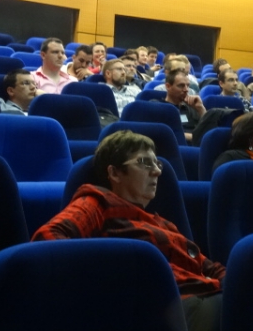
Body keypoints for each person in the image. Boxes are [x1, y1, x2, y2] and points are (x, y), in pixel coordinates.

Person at [32, 130, 225, 331]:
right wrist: (116, 278)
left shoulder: (162, 223)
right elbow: (47, 239)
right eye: (145, 162)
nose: (157, 172)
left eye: (157, 164)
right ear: (115, 173)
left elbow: (210, 267)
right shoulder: (97, 203)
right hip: (166, 308)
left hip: (208, 298)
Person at [163, 68, 207, 143]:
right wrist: (193, 137)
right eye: (181, 86)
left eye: (188, 85)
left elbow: (208, 130)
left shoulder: (192, 106)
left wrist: (201, 108)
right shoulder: (159, 107)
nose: (186, 89)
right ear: (168, 86)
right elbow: (164, 133)